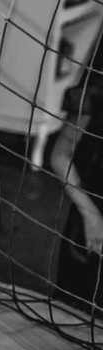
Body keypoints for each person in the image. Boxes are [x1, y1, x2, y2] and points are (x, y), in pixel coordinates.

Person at [50, 62, 103, 312]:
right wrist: (90, 215)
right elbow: (59, 156)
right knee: (76, 313)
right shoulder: (95, 93)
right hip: (93, 226)